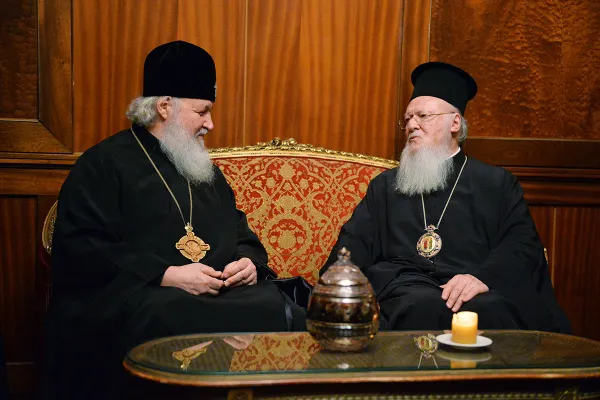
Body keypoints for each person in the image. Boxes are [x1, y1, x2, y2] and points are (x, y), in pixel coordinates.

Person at [43, 40, 305, 399]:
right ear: (165, 106)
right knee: (168, 311)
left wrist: (247, 263)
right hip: (146, 296)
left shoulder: (202, 169)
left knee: (271, 304)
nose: (210, 124)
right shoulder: (103, 164)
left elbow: (240, 231)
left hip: (215, 294)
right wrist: (166, 275)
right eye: (202, 111)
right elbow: (83, 246)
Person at [321, 61, 569, 333]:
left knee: (488, 309)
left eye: (423, 116)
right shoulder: (385, 187)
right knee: (421, 304)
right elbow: (354, 242)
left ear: (455, 122)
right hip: (406, 289)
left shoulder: (496, 183)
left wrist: (481, 278)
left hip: (473, 287)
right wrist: (338, 282)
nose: (412, 125)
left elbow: (521, 244)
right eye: (407, 119)